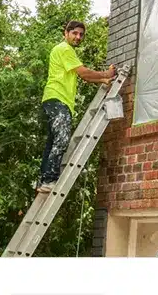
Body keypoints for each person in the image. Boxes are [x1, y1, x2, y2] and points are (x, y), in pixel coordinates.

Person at [37, 20, 117, 193]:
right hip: (58, 99)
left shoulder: (66, 52)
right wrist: (107, 74)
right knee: (62, 138)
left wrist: (102, 80)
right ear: (65, 33)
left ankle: (43, 180)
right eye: (74, 33)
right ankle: (49, 179)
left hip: (53, 99)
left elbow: (85, 77)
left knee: (52, 142)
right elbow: (84, 72)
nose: (78, 37)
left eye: (81, 34)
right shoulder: (64, 49)